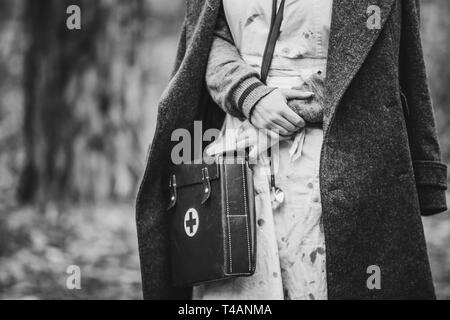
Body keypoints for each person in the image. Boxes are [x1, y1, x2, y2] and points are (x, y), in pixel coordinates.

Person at [136, 0, 448, 300]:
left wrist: (300, 105)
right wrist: (249, 94)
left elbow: (396, 63)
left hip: (339, 157)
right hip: (238, 162)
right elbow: (206, 37)